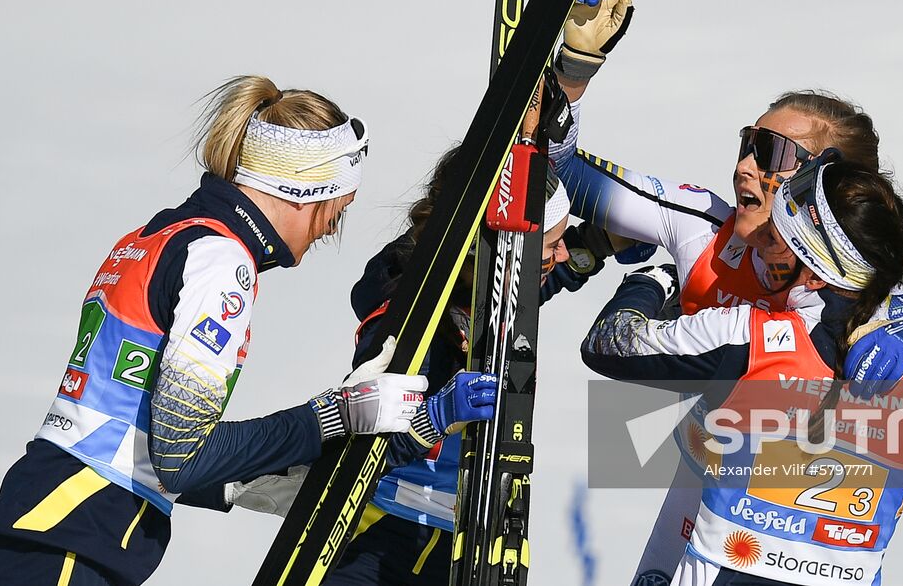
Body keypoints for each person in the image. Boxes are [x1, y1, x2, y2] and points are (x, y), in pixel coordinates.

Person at [552, 0, 903, 584]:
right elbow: (561, 172)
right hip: (711, 487)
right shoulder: (700, 226)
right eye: (747, 141)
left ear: (824, 180)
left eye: (768, 152)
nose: (744, 164)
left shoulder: (880, 324)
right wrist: (571, 78)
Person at [0, 76, 497, 586]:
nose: (330, 231)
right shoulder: (222, 262)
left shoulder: (161, 235)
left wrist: (333, 451)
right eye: (335, 212)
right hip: (73, 540)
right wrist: (337, 416)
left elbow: (129, 432)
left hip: (62, 527)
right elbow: (181, 457)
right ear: (303, 190)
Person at [581, 155, 903, 586]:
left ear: (813, 268)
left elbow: (606, 345)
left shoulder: (750, 337)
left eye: (780, 239)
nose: (764, 248)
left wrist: (653, 279)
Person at [226, 145, 641, 585]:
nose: (558, 256)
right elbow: (361, 437)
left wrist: (598, 244)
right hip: (376, 536)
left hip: (458, 542)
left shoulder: (477, 287)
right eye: (552, 245)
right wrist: (437, 415)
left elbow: (521, 293)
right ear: (501, 246)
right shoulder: (408, 320)